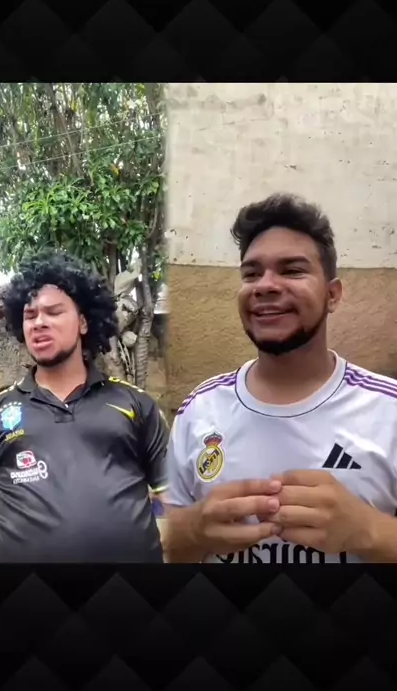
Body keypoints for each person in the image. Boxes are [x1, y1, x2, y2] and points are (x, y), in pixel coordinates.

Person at [165, 193, 397, 564]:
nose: (265, 285)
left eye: (291, 270)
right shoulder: (199, 409)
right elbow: (164, 547)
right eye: (251, 274)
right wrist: (194, 529)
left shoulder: (388, 411)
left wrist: (368, 530)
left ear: (332, 295)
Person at [0, 252, 168, 563]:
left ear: (83, 322)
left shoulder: (135, 404)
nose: (39, 323)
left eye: (53, 312)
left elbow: (178, 502)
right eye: (30, 315)